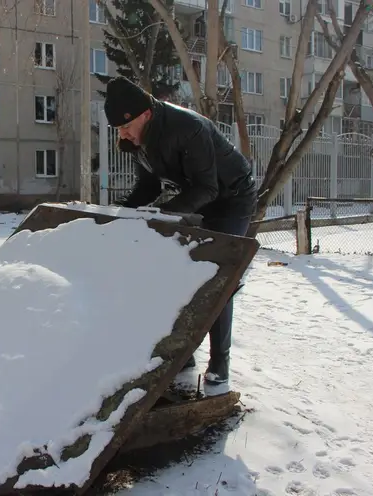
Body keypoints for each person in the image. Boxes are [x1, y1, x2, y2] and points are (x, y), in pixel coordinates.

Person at [103, 76, 257, 385]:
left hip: (231, 197)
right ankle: (184, 353)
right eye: (119, 130)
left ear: (144, 114)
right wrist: (121, 213)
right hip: (196, 194)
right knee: (177, 274)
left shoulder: (187, 128)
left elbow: (208, 188)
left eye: (125, 127)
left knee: (217, 278)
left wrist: (165, 214)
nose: (124, 135)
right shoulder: (139, 138)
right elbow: (148, 186)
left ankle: (219, 360)